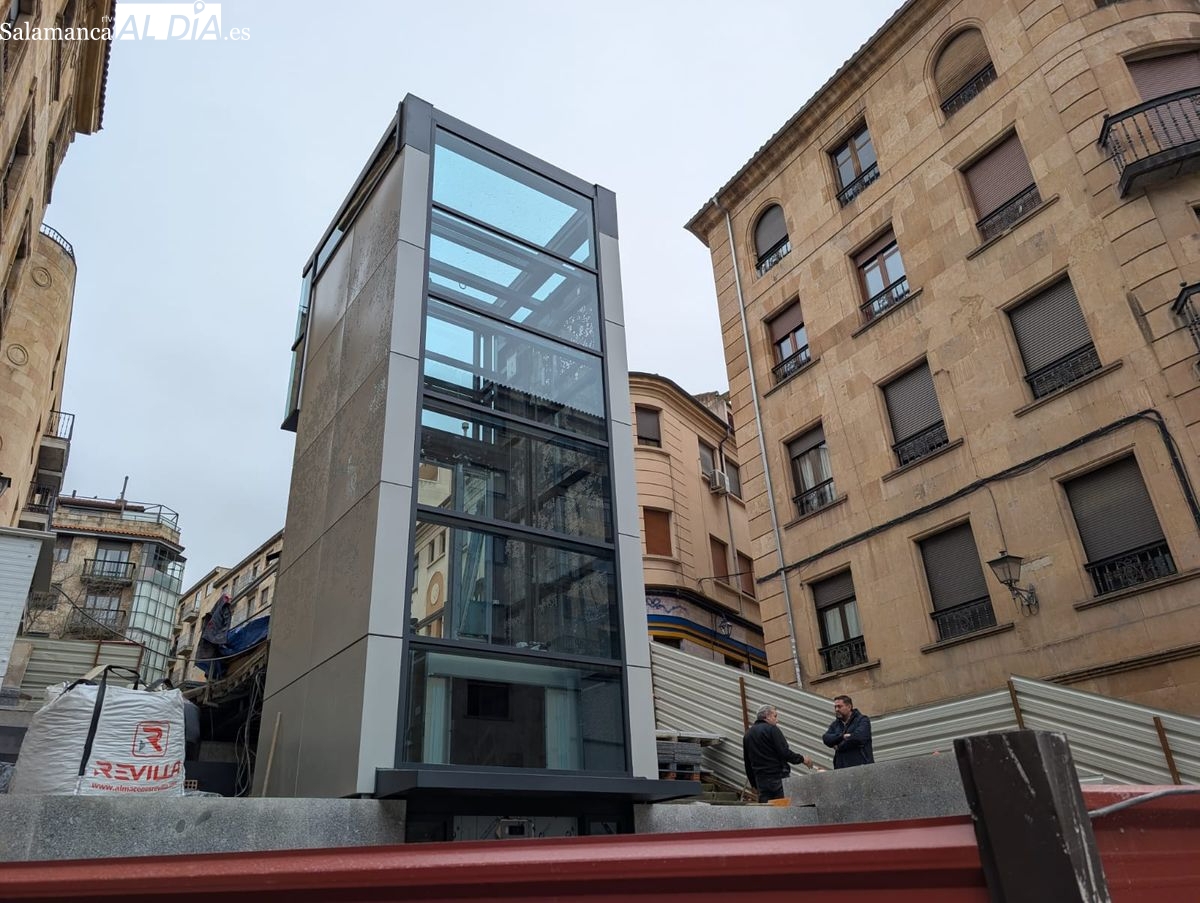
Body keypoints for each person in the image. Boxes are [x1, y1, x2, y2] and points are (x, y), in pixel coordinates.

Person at [743, 704, 813, 802]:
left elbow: (747, 762)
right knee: (783, 807)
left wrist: (754, 784)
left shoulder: (747, 735)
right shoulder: (772, 729)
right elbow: (784, 752)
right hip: (778, 778)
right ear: (767, 716)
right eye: (775, 716)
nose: (777, 720)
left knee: (767, 809)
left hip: (761, 781)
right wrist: (802, 759)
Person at [822, 694, 874, 768]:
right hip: (841, 768)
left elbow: (859, 737)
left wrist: (838, 745)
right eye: (835, 707)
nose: (836, 709)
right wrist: (842, 736)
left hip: (861, 767)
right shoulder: (835, 725)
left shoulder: (862, 720)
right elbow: (826, 738)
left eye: (839, 706)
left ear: (849, 707)